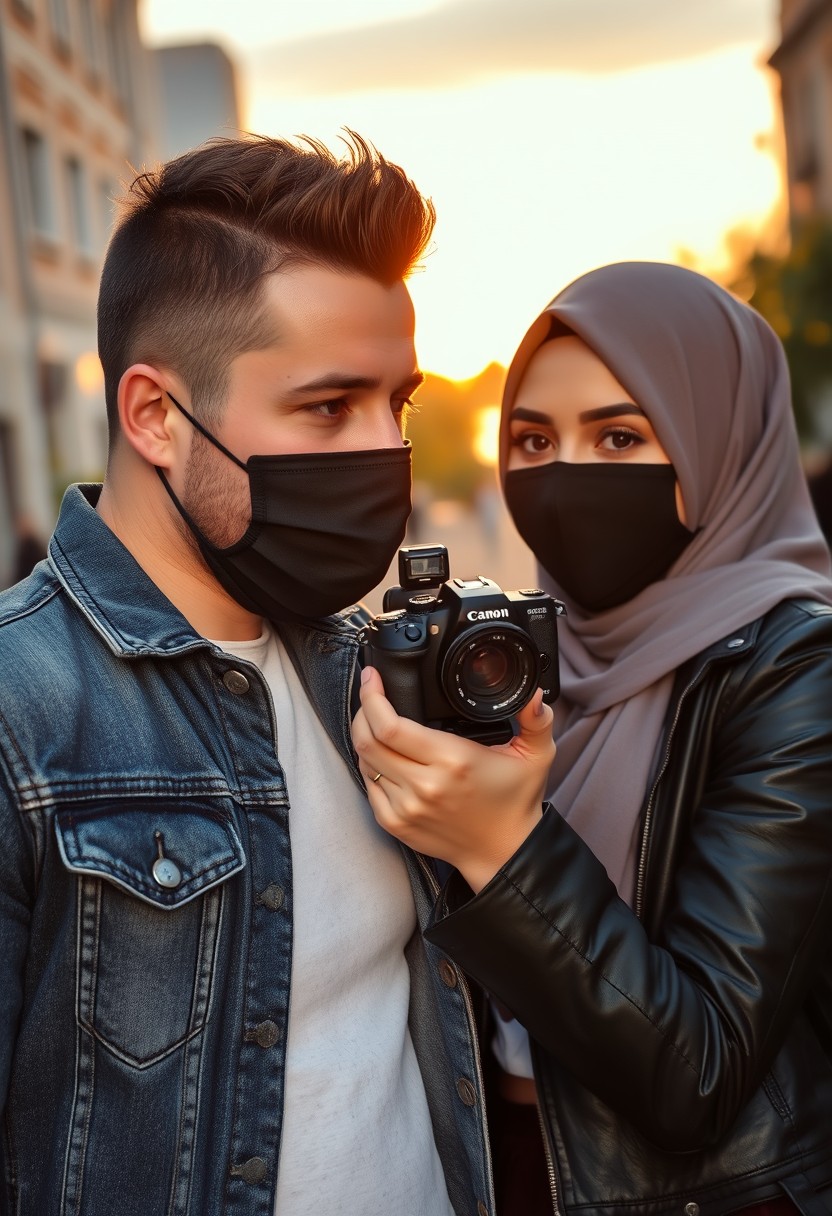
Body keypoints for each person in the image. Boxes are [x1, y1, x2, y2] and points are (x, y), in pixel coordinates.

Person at [0, 133, 497, 1216]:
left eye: (395, 404)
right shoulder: (19, 710)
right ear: (154, 417)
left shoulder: (359, 668)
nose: (383, 455)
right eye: (328, 407)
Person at [352, 262, 832, 1215]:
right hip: (508, 1174)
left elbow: (698, 1073)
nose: (564, 475)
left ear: (717, 446)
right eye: (532, 438)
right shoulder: (511, 659)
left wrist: (503, 848)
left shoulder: (794, 668)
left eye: (619, 435)